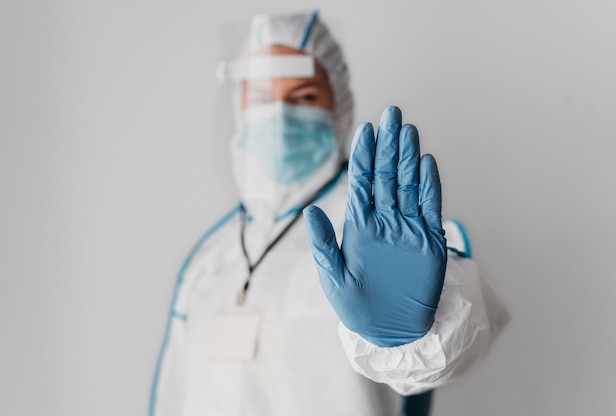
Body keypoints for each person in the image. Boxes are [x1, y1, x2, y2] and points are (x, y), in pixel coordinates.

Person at [149, 10, 509, 416]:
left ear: (336, 105)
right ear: (239, 106)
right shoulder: (210, 260)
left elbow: (468, 324)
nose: (281, 114)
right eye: (263, 97)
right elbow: (174, 396)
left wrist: (409, 335)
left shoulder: (383, 227)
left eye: (304, 96)